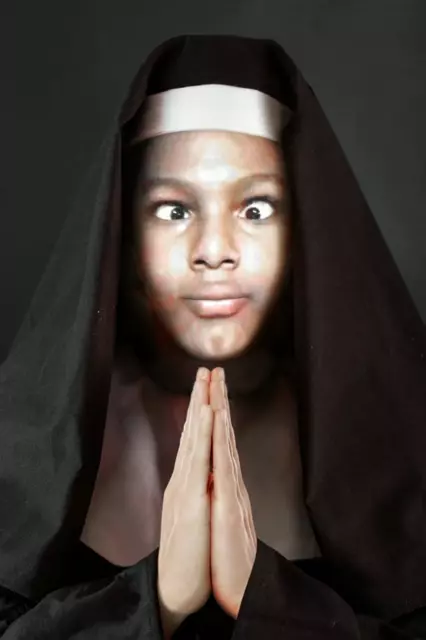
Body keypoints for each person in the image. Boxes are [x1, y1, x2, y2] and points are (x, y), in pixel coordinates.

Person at [0, 34, 425, 640]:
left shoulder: (405, 443)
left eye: (257, 209)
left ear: (305, 229)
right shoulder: (22, 446)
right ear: (124, 233)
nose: (215, 251)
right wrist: (156, 602)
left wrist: (266, 597)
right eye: (174, 210)